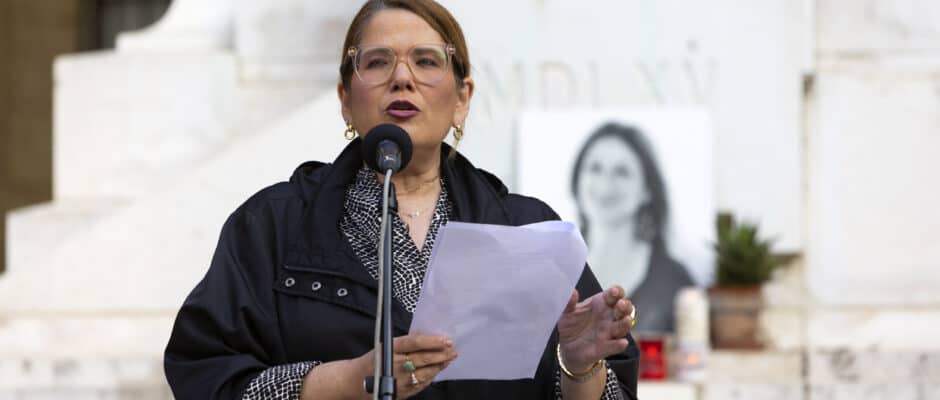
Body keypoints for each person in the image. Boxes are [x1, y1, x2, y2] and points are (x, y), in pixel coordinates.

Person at [164, 1, 639, 399]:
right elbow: (204, 375)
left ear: (462, 98)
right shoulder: (273, 224)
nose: (402, 78)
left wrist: (580, 365)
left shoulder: (527, 230)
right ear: (345, 99)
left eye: (427, 61)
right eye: (377, 62)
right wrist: (345, 382)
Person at [570, 122, 694, 334]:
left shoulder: (674, 281)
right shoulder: (554, 271)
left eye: (622, 172)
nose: (606, 183)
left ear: (646, 190)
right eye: (595, 168)